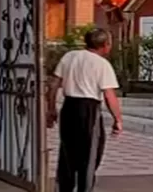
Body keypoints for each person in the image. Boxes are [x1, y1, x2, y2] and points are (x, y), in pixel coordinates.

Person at [47, 28, 124, 192]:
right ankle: (84, 188)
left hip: (68, 107)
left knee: (67, 151)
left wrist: (51, 109)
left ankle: (64, 188)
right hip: (88, 109)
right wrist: (117, 119)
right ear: (105, 45)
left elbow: (53, 84)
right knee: (90, 154)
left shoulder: (69, 57)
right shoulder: (102, 64)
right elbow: (109, 95)